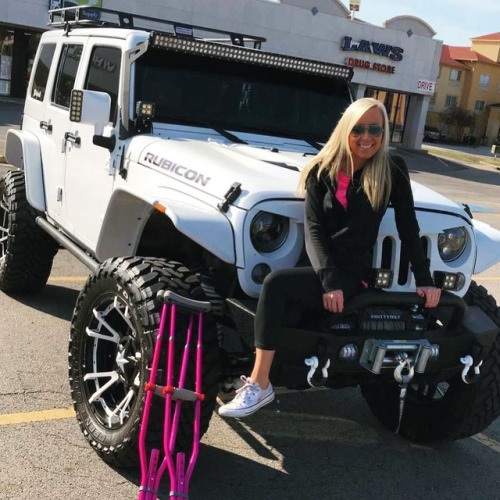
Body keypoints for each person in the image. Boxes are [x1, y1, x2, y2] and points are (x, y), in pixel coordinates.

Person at [218, 97, 441, 418]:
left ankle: (259, 383)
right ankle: (265, 373)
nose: (367, 136)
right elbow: (314, 230)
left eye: (375, 129)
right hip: (322, 272)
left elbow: (408, 227)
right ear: (345, 130)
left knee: (276, 285)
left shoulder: (391, 170)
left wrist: (425, 282)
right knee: (285, 312)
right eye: (359, 129)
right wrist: (328, 281)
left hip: (353, 276)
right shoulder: (323, 170)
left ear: (384, 132)